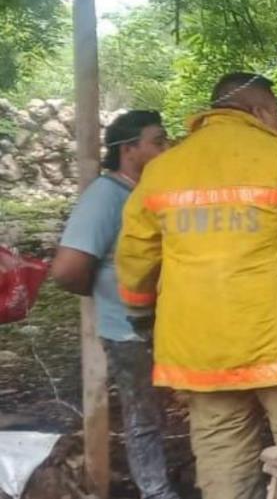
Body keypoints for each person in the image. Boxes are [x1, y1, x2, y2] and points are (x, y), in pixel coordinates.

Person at [115, 73, 277, 499]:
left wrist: (141, 315)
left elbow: (135, 258)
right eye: (275, 112)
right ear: (257, 111)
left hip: (199, 350)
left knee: (222, 455)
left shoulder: (162, 170)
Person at [51, 110, 179, 499]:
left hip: (163, 323)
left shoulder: (146, 192)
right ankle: (156, 491)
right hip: (128, 327)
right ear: (129, 149)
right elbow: (67, 270)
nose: (166, 148)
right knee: (143, 416)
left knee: (165, 410)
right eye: (157, 141)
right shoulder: (106, 196)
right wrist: (108, 291)